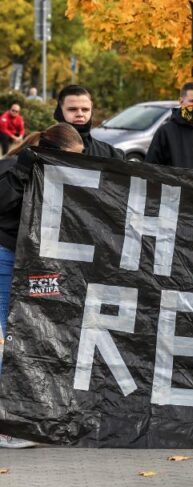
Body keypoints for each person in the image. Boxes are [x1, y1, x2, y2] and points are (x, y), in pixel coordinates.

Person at [0, 123, 84, 449]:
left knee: (28, 336)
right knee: (10, 336)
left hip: (31, 263)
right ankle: (7, 424)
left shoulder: (55, 172)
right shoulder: (12, 166)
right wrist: (22, 174)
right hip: (7, 257)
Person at [54, 85, 125, 160]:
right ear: (60, 112)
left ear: (91, 111)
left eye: (85, 110)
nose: (80, 114)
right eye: (72, 109)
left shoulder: (111, 155)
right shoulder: (43, 152)